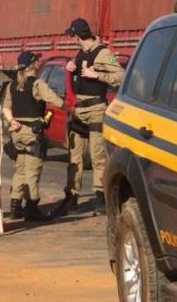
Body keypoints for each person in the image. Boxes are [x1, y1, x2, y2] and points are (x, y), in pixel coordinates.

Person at [51, 18, 124, 217]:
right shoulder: (82, 51)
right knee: (74, 156)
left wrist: (97, 75)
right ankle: (71, 198)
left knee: (97, 155)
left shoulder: (103, 53)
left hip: (96, 109)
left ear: (77, 35)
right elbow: (77, 70)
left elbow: (121, 76)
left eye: (72, 35)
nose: (72, 39)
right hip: (79, 109)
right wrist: (71, 67)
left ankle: (101, 199)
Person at [2, 51, 70, 221]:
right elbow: (54, 99)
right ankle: (31, 208)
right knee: (32, 170)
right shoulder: (37, 84)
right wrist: (70, 109)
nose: (40, 61)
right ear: (33, 64)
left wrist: (12, 121)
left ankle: (15, 207)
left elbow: (5, 108)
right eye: (37, 59)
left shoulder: (12, 85)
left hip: (17, 132)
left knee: (20, 169)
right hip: (32, 132)